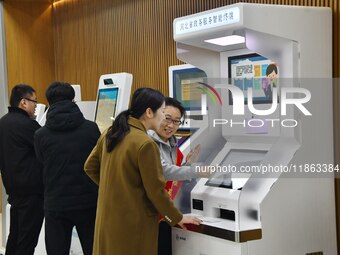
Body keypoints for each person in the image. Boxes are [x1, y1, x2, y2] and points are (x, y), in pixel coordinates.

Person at [84, 87, 201, 255]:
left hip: (106, 219)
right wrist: (177, 218)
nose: (163, 117)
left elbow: (90, 167)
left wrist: (116, 191)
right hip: (134, 223)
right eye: (162, 111)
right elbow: (155, 191)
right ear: (149, 112)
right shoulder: (145, 144)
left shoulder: (111, 132)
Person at [34, 81, 100, 255]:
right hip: (89, 202)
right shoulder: (91, 129)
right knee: (93, 249)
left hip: (56, 203)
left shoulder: (40, 135)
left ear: (49, 103)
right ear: (73, 100)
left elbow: (41, 162)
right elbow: (99, 162)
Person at [148, 97, 206, 255]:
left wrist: (187, 166)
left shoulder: (172, 144)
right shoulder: (147, 143)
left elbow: (174, 174)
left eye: (176, 121)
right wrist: (195, 170)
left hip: (166, 213)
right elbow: (165, 171)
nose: (170, 125)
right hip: (150, 216)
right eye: (167, 119)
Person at [0, 84, 44, 255]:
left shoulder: (3, 122)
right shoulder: (28, 126)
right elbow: (44, 149)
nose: (36, 106)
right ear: (24, 103)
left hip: (13, 191)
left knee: (15, 236)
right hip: (32, 193)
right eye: (34, 101)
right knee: (27, 240)